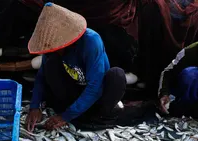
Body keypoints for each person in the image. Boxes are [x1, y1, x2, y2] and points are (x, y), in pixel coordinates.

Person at [25, 3, 131, 131]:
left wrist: (65, 116)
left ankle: (97, 117)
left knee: (117, 75)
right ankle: (76, 113)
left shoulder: (91, 41)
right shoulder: (51, 50)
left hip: (97, 95)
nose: (50, 51)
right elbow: (41, 76)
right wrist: (34, 106)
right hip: (73, 92)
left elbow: (95, 86)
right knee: (50, 65)